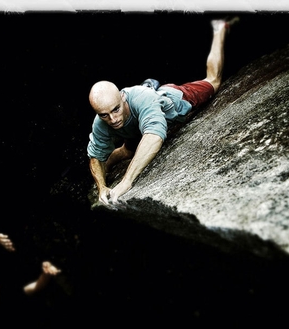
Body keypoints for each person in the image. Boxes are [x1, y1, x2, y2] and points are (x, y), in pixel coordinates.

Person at [87, 17, 239, 206]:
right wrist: (102, 186)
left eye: (115, 109)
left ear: (122, 97)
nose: (112, 119)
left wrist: (125, 182)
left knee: (213, 81)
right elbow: (95, 155)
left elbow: (154, 136)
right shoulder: (101, 120)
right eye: (104, 115)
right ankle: (117, 157)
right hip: (136, 128)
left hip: (172, 99)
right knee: (127, 151)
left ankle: (219, 30)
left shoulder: (141, 98)